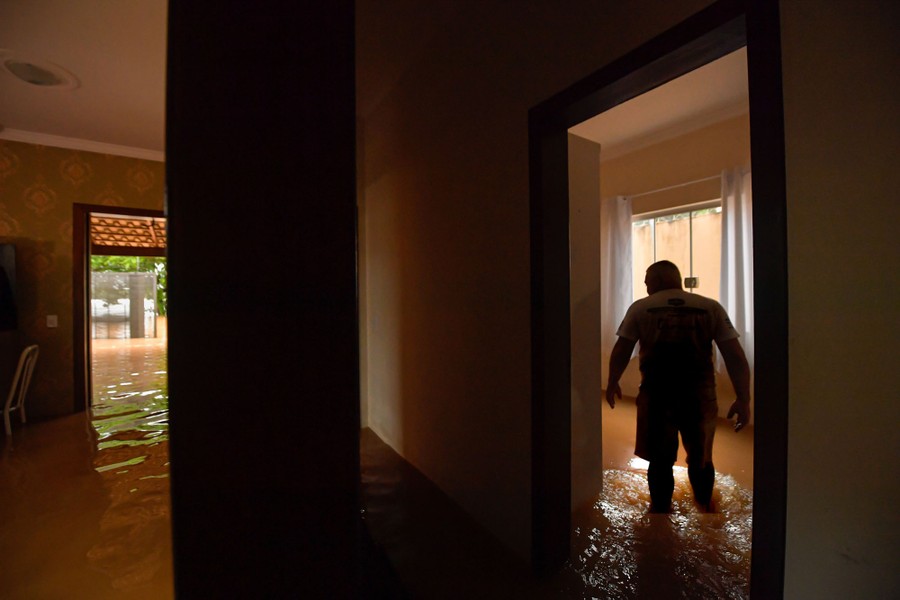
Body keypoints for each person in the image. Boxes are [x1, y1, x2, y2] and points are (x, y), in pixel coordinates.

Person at [605, 260, 751, 513]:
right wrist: (743, 398)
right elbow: (735, 355)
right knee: (701, 459)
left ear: (660, 280)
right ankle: (706, 510)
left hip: (656, 396)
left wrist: (612, 381)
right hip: (701, 397)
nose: (645, 286)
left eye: (648, 281)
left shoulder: (641, 308)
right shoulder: (710, 307)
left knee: (659, 461)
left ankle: (661, 516)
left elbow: (622, 349)